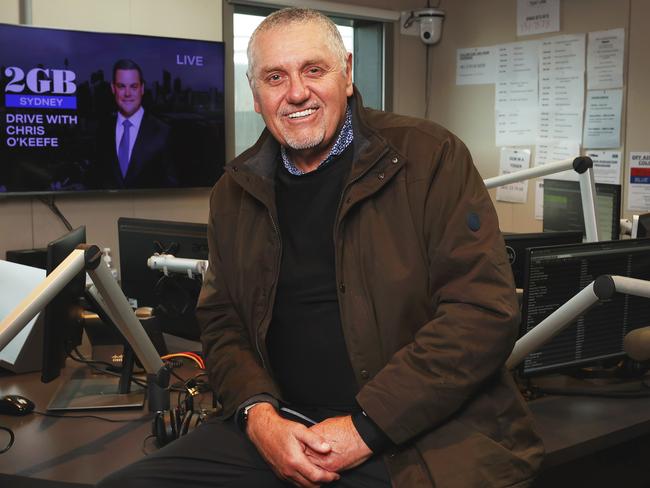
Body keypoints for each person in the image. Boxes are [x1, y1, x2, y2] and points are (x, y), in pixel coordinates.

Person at [97, 8, 544, 488]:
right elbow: (223, 323)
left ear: (347, 74)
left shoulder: (430, 157)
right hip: (281, 427)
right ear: (256, 93)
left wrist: (365, 428)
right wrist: (258, 418)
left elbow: (481, 314)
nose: (296, 92)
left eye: (314, 70)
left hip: (417, 436)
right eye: (275, 76)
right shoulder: (235, 188)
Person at [86, 59, 177, 189]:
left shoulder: (163, 131)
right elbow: (94, 178)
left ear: (142, 88)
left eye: (133, 86)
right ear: (113, 88)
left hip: (152, 208)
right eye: (121, 86)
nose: (127, 93)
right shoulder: (102, 130)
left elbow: (172, 184)